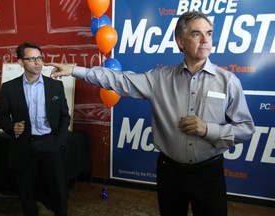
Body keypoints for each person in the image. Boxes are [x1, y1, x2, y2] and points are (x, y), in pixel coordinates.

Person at [46, 11, 255, 216]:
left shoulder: (228, 82)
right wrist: (75, 70)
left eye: (208, 33)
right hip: (170, 173)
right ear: (180, 42)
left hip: (209, 174)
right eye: (196, 34)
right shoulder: (160, 79)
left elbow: (246, 129)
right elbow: (119, 80)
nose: (205, 40)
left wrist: (209, 129)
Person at [0, 42, 70, 216]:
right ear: (21, 62)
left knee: (58, 192)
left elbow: (64, 117)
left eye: (40, 58)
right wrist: (12, 126)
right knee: (26, 192)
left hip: (49, 144)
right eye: (31, 59)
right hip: (23, 146)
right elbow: (1, 116)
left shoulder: (55, 86)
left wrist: (57, 142)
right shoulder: (9, 88)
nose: (38, 63)